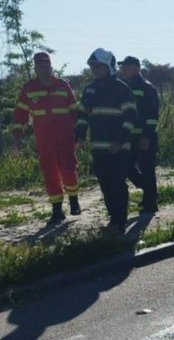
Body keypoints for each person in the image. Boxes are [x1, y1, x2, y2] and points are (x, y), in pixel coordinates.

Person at [11, 52, 81, 224]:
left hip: (65, 136)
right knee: (50, 172)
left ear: (51, 66)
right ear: (35, 68)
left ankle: (74, 200)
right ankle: (57, 210)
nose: (44, 69)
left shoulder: (63, 85)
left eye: (47, 65)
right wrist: (17, 135)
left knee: (69, 168)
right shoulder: (29, 88)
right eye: (41, 66)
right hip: (44, 139)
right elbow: (20, 113)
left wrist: (79, 133)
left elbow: (74, 111)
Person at [75, 48, 137, 233]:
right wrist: (79, 135)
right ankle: (113, 218)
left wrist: (119, 140)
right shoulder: (89, 90)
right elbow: (82, 116)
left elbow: (131, 118)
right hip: (98, 148)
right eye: (93, 66)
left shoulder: (121, 89)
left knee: (117, 183)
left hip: (119, 147)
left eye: (99, 66)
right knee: (105, 184)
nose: (95, 70)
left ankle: (120, 220)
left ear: (109, 66)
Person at [118, 56, 160, 214]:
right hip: (129, 137)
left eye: (125, 67)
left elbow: (152, 115)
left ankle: (150, 203)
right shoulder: (123, 86)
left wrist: (146, 136)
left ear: (135, 69)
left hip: (144, 137)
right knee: (127, 167)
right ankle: (149, 189)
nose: (122, 70)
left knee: (147, 169)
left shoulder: (146, 87)